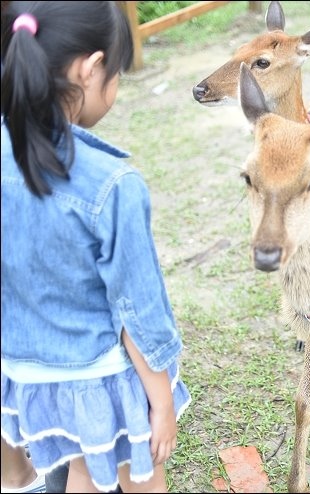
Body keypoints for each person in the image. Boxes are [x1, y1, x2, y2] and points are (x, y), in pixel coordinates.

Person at [1, 2, 191, 493]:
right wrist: (163, 404)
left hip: (31, 376)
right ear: (90, 68)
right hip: (102, 378)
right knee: (142, 473)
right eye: (116, 73)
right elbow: (136, 312)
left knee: (86, 463)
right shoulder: (112, 186)